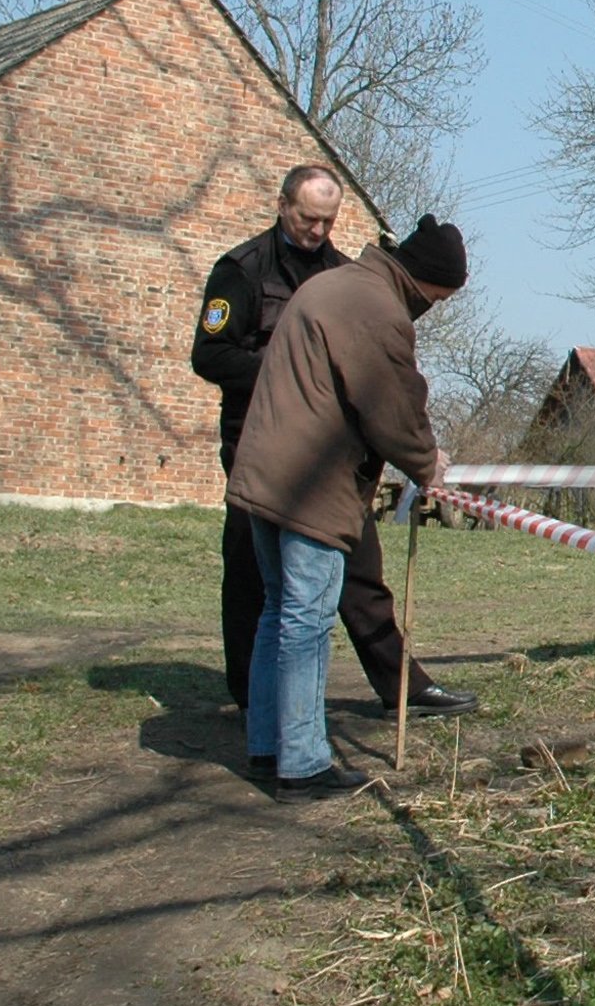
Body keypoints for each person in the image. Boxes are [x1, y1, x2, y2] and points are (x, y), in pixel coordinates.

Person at [191, 167, 476, 725]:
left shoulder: (344, 276)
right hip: (257, 438)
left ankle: (401, 685)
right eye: (307, 217)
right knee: (255, 575)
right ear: (282, 206)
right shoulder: (242, 270)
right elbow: (211, 355)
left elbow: (381, 379)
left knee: (361, 568)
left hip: (333, 456)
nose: (317, 230)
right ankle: (254, 700)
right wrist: (288, 372)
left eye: (328, 220)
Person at [227, 214, 466, 802]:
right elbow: (392, 405)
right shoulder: (376, 309)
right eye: (441, 295)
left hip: (265, 472)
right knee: (306, 622)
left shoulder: (331, 285)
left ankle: (266, 746)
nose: (436, 305)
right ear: (428, 282)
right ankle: (304, 764)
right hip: (311, 485)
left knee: (277, 614)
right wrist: (427, 463)